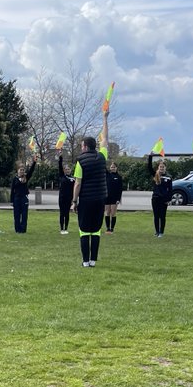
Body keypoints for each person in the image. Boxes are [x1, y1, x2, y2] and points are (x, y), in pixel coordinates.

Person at [72, 105, 110, 266]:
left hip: (86, 200)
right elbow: (105, 140)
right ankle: (93, 260)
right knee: (96, 230)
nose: (81, 148)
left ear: (85, 147)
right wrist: (105, 118)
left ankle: (85, 261)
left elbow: (78, 184)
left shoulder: (80, 161)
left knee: (83, 230)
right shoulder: (102, 157)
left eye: (81, 146)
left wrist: (74, 201)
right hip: (100, 199)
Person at [147, 153, 173, 237]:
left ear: (165, 168)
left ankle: (161, 232)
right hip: (155, 198)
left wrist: (169, 199)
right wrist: (150, 157)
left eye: (163, 167)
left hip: (164, 200)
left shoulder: (169, 177)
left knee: (162, 216)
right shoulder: (155, 175)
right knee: (156, 216)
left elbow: (170, 190)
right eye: (160, 167)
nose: (161, 168)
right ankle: (157, 231)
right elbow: (149, 167)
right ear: (158, 168)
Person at [10, 155, 37, 233]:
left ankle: (23, 229)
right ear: (17, 170)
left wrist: (34, 162)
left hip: (24, 198)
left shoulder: (26, 177)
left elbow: (31, 171)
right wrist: (11, 201)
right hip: (16, 199)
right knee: (17, 215)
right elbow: (12, 190)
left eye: (23, 170)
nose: (22, 171)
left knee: (24, 215)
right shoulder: (15, 179)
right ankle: (17, 229)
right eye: (20, 170)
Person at [57, 153, 74, 234]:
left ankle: (66, 228)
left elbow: (74, 189)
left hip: (69, 199)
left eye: (68, 169)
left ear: (70, 170)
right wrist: (60, 157)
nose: (67, 170)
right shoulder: (61, 176)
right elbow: (60, 165)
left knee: (67, 214)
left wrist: (73, 200)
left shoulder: (73, 179)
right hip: (62, 198)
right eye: (66, 169)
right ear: (64, 170)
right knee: (62, 213)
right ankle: (61, 229)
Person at [105, 161, 123, 233]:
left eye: (114, 167)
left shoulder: (119, 177)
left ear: (116, 168)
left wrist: (118, 199)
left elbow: (120, 189)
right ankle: (108, 228)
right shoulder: (107, 175)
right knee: (107, 212)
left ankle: (112, 228)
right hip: (107, 197)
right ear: (110, 168)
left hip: (115, 198)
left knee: (113, 213)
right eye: (111, 167)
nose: (113, 168)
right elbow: (103, 167)